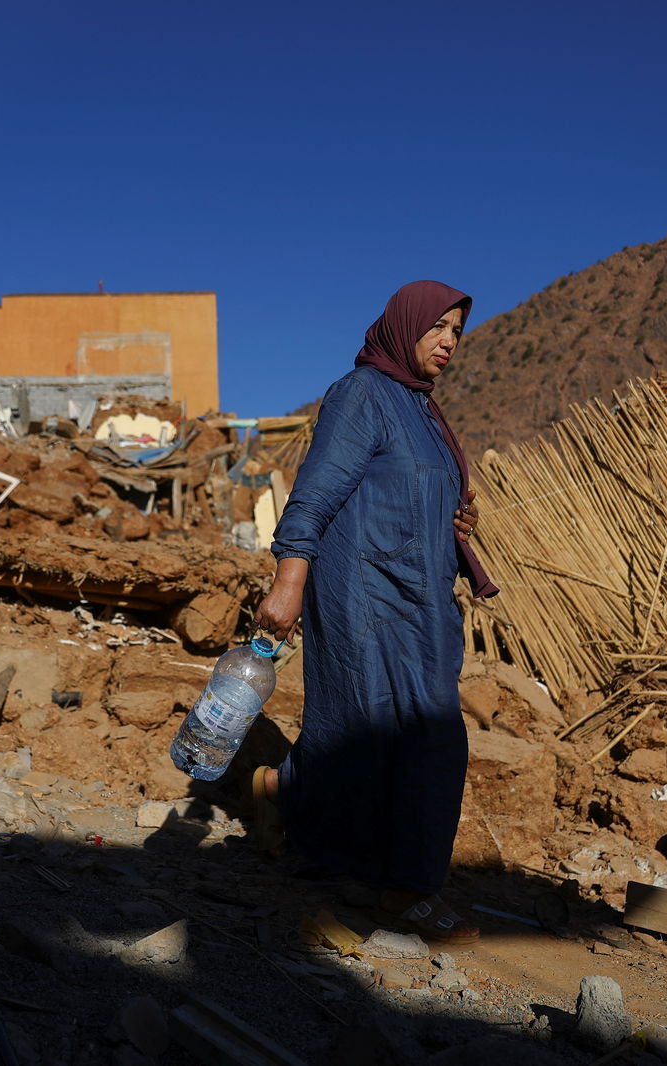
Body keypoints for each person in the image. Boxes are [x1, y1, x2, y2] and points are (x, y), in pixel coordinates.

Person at [251, 279, 499, 943]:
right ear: (404, 324)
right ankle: (409, 893)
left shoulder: (423, 410)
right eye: (438, 327)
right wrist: (288, 582)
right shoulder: (362, 395)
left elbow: (408, 493)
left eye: (457, 331)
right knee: (424, 739)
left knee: (368, 737)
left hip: (420, 599)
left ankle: (282, 790)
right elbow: (315, 495)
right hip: (363, 591)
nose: (449, 342)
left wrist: (453, 518)